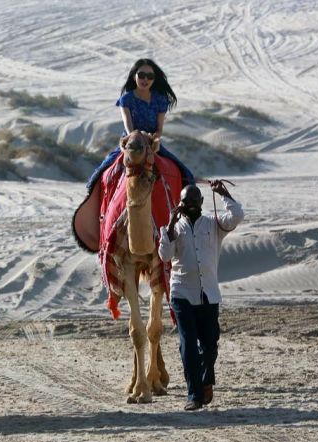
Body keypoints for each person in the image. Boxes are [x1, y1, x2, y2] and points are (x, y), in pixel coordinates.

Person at [158, 181, 244, 411]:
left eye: (196, 202)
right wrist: (170, 225)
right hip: (181, 292)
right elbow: (165, 255)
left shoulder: (213, 224)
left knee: (210, 345)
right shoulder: (172, 228)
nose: (192, 206)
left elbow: (237, 215)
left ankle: (206, 380)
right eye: (187, 203)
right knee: (187, 343)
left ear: (202, 203)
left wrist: (224, 194)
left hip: (209, 293)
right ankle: (193, 395)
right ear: (181, 204)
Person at [87, 59, 195, 190]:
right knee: (100, 174)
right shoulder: (126, 99)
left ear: (154, 79)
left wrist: (154, 138)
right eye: (141, 75)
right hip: (130, 142)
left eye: (150, 76)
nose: (145, 79)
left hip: (151, 143)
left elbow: (160, 129)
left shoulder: (160, 99)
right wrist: (136, 137)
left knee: (185, 174)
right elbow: (129, 127)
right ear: (134, 76)